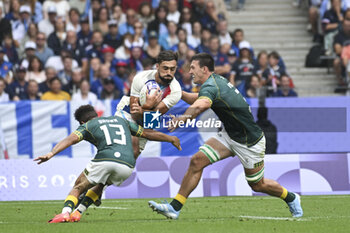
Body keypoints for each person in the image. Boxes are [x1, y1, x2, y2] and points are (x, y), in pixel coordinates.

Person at [148, 53, 303, 219]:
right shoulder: (214, 82)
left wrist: (182, 119)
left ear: (204, 69)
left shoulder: (211, 86)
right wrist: (179, 94)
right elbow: (200, 98)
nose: (189, 71)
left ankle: (291, 197)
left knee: (258, 185)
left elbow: (202, 104)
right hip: (229, 135)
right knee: (197, 161)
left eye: (193, 67)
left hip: (249, 142)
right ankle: (174, 207)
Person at [34, 104, 181, 223]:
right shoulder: (121, 121)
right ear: (95, 114)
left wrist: (51, 153)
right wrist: (170, 138)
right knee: (101, 184)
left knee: (78, 186)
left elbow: (70, 140)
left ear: (82, 122)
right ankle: (78, 213)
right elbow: (147, 134)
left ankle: (65, 213)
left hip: (105, 159)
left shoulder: (87, 126)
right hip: (128, 165)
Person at [115, 50, 182, 157]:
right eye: (165, 68)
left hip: (146, 122)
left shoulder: (176, 91)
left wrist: (144, 109)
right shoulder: (141, 77)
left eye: (172, 69)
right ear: (157, 66)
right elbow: (134, 113)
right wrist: (148, 106)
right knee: (130, 148)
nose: (169, 72)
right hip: (126, 111)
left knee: (133, 156)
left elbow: (152, 118)